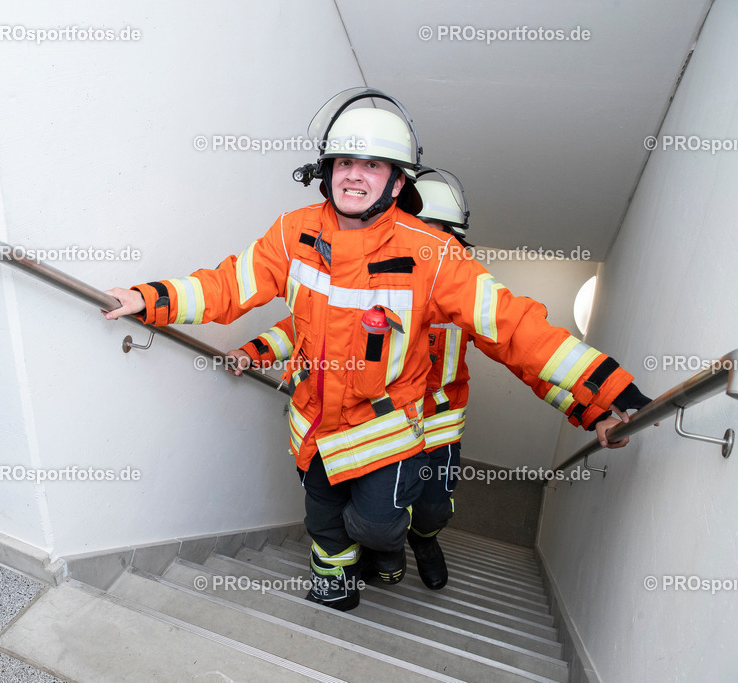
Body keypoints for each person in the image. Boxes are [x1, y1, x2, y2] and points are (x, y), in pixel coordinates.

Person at [104, 87, 649, 611]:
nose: (354, 175)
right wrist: (149, 298)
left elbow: (516, 330)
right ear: (327, 173)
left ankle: (391, 546)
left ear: (396, 183)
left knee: (379, 524)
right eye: (344, 163)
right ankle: (335, 581)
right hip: (312, 426)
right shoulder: (294, 233)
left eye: (372, 165)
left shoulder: (432, 255)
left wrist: (609, 393)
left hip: (383, 434)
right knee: (322, 522)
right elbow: (227, 285)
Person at [224, 168, 613, 591]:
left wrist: (594, 411)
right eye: (421, 226)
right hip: (384, 426)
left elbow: (524, 356)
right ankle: (378, 548)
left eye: (439, 231)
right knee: (367, 508)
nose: (426, 239)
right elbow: (303, 328)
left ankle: (424, 542)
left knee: (432, 512)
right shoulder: (381, 279)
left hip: (436, 427)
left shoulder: (458, 287)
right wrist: (253, 351)